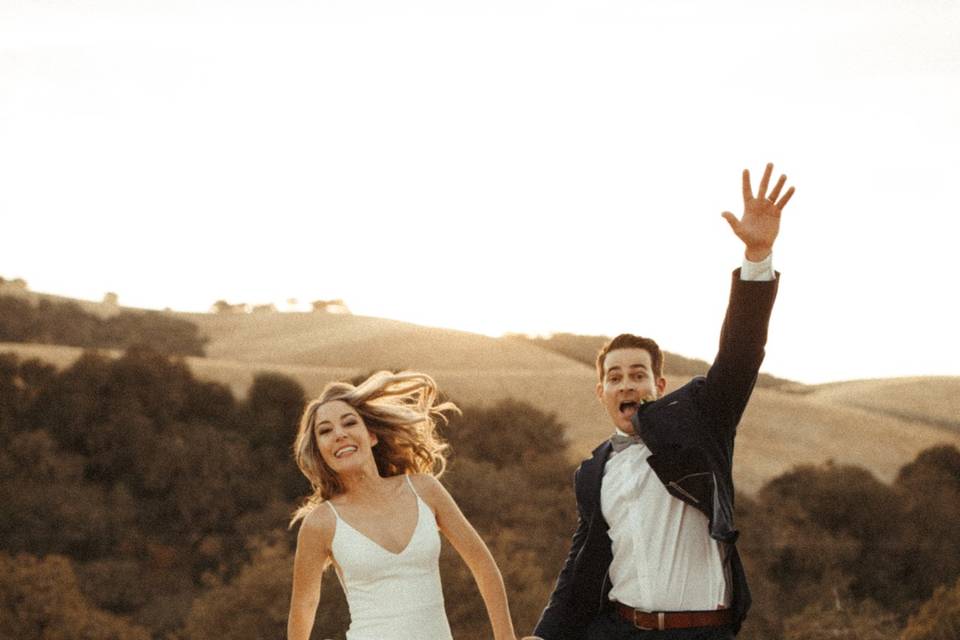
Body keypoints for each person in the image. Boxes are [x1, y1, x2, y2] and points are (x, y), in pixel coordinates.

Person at [526, 163, 796, 640]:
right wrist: (545, 636)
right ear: (601, 392)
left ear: (659, 385)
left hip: (701, 631)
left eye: (637, 374)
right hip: (618, 629)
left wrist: (758, 256)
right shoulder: (595, 472)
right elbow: (583, 567)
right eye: (614, 377)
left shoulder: (702, 425)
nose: (626, 385)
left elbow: (740, 354)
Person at [287, 370, 518, 640]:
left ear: (371, 436)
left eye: (349, 423)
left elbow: (483, 565)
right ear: (321, 452)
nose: (339, 434)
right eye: (325, 431)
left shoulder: (424, 490)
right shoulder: (321, 523)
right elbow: (304, 608)